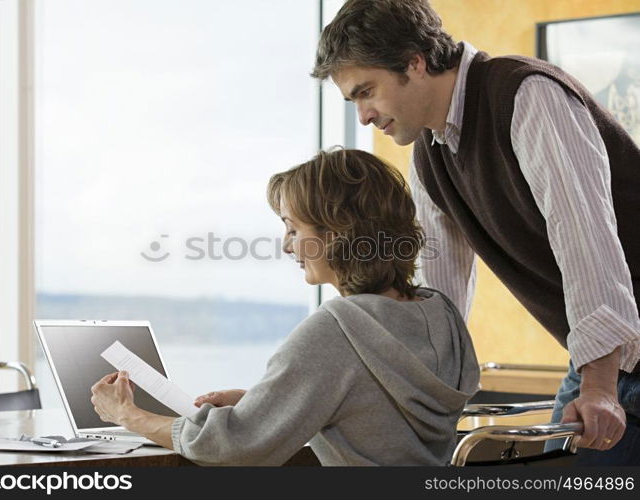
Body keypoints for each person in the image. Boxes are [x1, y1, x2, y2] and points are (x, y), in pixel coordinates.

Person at [312, 0, 640, 464]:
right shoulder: (430, 154)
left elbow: (587, 245)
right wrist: (301, 394)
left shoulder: (527, 96)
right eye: (353, 102)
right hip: (611, 357)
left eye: (368, 92)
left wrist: (601, 388)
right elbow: (438, 308)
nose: (363, 115)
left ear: (415, 62)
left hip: (613, 360)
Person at [91, 148, 480, 466]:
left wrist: (129, 415)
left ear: (337, 233)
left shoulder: (337, 329)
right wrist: (272, 403)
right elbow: (379, 417)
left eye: (293, 229)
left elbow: (234, 446)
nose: (286, 244)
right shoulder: (441, 314)